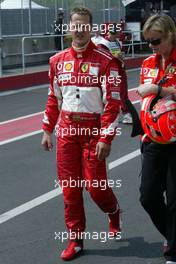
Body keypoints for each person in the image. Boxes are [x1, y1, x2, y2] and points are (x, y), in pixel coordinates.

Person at [41, 7, 125, 261]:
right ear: (69, 28)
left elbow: (113, 103)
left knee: (96, 188)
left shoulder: (106, 59)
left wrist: (105, 137)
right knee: (69, 189)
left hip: (93, 131)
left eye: (84, 25)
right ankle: (75, 238)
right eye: (75, 24)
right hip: (66, 131)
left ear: (91, 28)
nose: (79, 29)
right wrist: (47, 129)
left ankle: (114, 212)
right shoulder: (56, 61)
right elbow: (53, 98)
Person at [137, 14, 176, 264]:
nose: (152, 46)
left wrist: (160, 90)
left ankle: (173, 251)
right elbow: (146, 103)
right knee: (148, 196)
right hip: (153, 139)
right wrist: (143, 132)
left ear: (170, 35)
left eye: (156, 40)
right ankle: (172, 236)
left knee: (174, 201)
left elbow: (156, 93)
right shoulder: (148, 62)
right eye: (148, 41)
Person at [92, 23, 132, 124]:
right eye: (119, 31)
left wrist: (121, 60)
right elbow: (103, 59)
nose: (121, 33)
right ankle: (103, 114)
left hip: (120, 69)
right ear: (114, 32)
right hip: (109, 72)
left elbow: (119, 55)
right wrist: (114, 57)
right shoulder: (103, 43)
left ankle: (126, 113)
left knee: (123, 92)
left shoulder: (118, 42)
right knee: (108, 94)